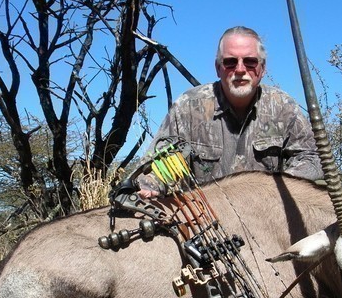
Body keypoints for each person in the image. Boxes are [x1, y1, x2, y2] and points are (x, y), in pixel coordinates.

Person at [138, 26, 322, 197]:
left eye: (250, 62)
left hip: (268, 213)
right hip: (207, 221)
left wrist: (274, 188)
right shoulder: (188, 107)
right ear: (218, 68)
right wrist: (152, 185)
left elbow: (312, 159)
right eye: (230, 62)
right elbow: (157, 166)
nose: (240, 69)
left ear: (262, 68)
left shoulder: (283, 107)